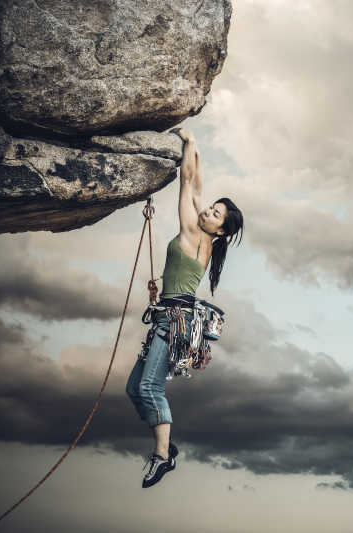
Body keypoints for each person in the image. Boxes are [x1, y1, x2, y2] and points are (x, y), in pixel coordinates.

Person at [126, 127, 243, 488]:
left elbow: (188, 184)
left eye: (215, 213)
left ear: (219, 230)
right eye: (212, 209)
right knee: (134, 388)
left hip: (173, 321)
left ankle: (163, 456)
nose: (207, 211)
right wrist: (197, 154)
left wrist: (189, 142)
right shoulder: (205, 236)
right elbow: (198, 188)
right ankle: (166, 446)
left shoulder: (194, 233)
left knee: (149, 389)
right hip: (172, 316)